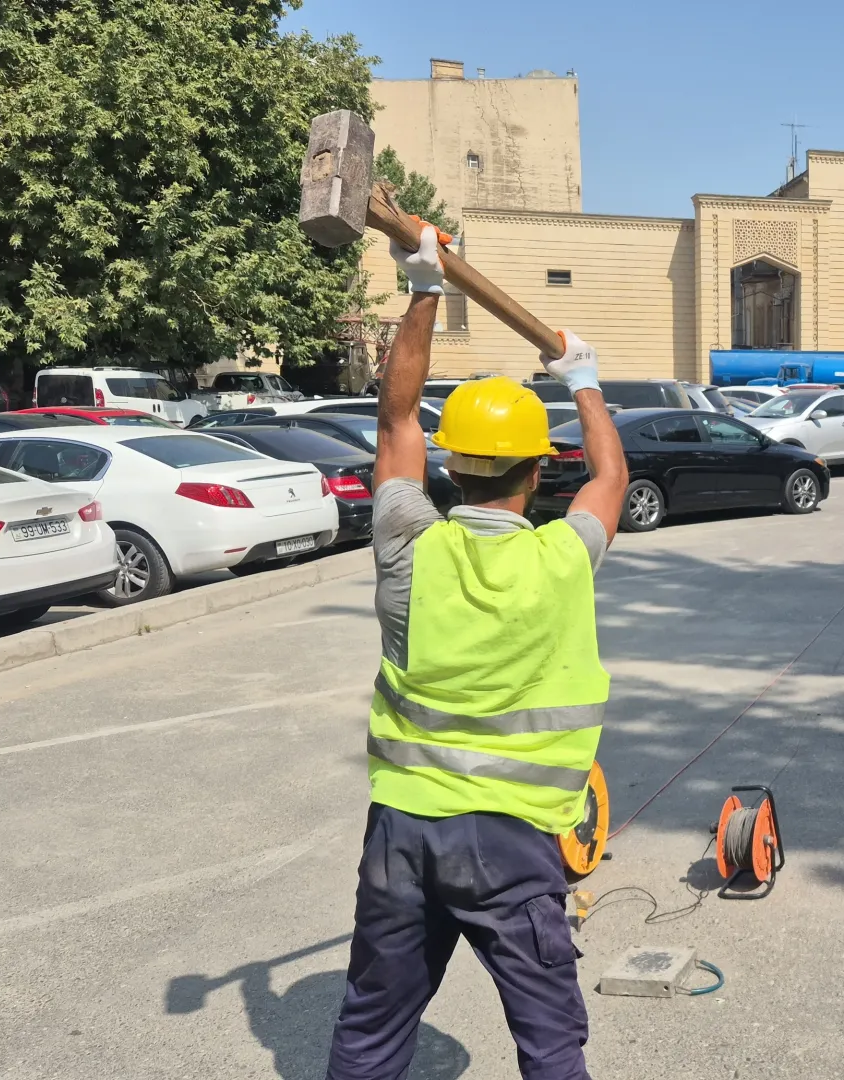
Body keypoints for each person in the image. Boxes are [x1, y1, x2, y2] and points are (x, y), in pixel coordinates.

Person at [325, 224, 629, 1080]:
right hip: (514, 845)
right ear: (538, 472)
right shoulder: (564, 558)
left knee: (372, 1031)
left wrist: (424, 288)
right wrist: (586, 381)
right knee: (550, 1044)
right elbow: (612, 479)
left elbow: (394, 419)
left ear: (453, 466)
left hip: (405, 835)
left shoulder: (408, 546)